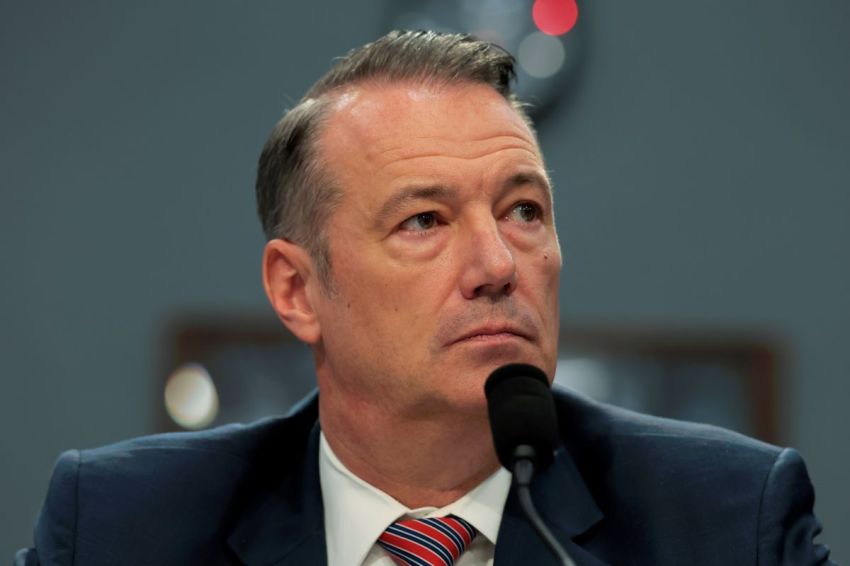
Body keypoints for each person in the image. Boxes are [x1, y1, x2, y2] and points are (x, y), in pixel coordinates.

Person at [16, 30, 832, 566]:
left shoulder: (727, 522)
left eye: (524, 211)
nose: (497, 264)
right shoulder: (122, 527)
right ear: (297, 290)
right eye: (424, 220)